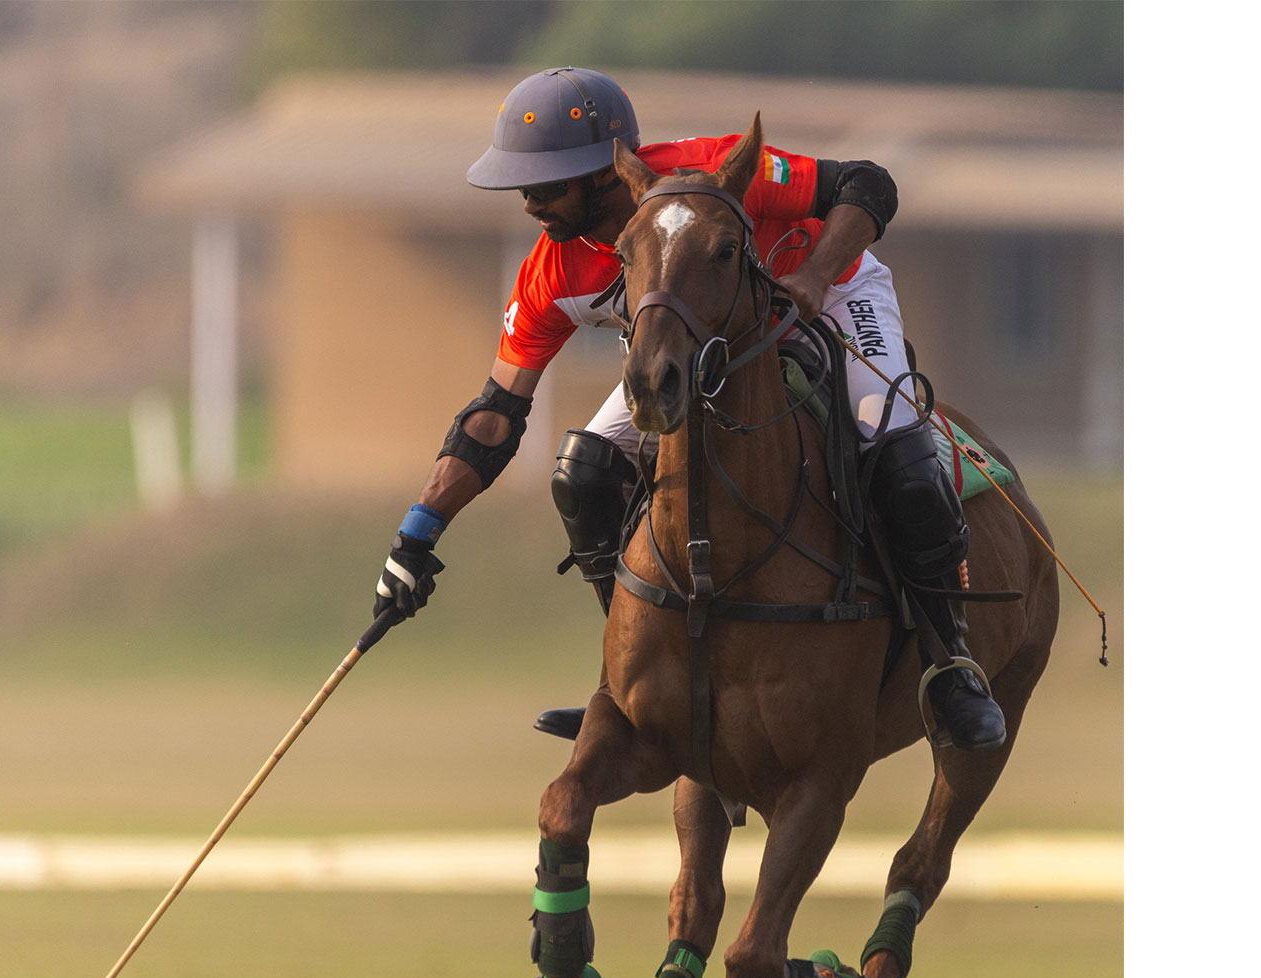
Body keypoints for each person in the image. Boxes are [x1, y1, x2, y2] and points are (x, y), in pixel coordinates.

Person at [371, 67, 1005, 752]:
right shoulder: (551, 271)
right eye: (522, 187)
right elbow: (495, 416)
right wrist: (416, 535)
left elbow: (868, 183)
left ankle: (950, 663)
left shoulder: (712, 169)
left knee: (901, 452)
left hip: (826, 295)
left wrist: (817, 273)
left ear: (605, 173)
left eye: (546, 185)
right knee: (583, 471)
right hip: (701, 341)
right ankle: (636, 675)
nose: (530, 204)